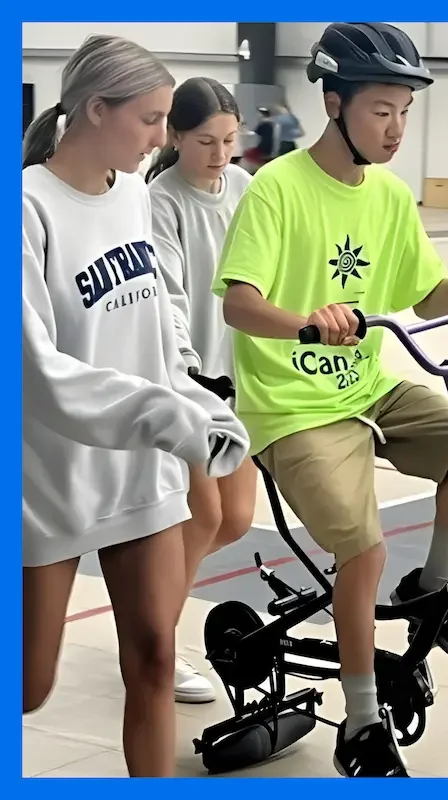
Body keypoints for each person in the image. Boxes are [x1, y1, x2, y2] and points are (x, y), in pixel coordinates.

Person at [212, 22, 448, 778]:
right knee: (363, 546)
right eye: (382, 111)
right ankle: (360, 722)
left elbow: (424, 298)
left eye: (404, 114)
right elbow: (238, 305)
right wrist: (306, 326)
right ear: (334, 101)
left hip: (369, 387)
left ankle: (435, 593)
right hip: (292, 405)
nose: (396, 129)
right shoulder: (277, 190)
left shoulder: (388, 196)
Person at [22, 35, 250, 778]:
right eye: (152, 120)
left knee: (153, 660)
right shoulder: (27, 209)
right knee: (28, 685)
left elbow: (158, 324)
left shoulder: (130, 196)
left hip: (143, 475)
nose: (162, 137)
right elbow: (40, 374)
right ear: (96, 110)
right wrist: (167, 414)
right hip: (52, 482)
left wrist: (197, 398)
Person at [145, 77, 257, 705]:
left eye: (230, 141)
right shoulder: (160, 200)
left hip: (240, 382)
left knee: (235, 519)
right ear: (176, 137)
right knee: (204, 514)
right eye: (205, 141)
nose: (219, 154)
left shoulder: (243, 188)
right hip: (190, 386)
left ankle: (147, 604)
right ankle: (156, 643)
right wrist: (190, 372)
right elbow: (168, 295)